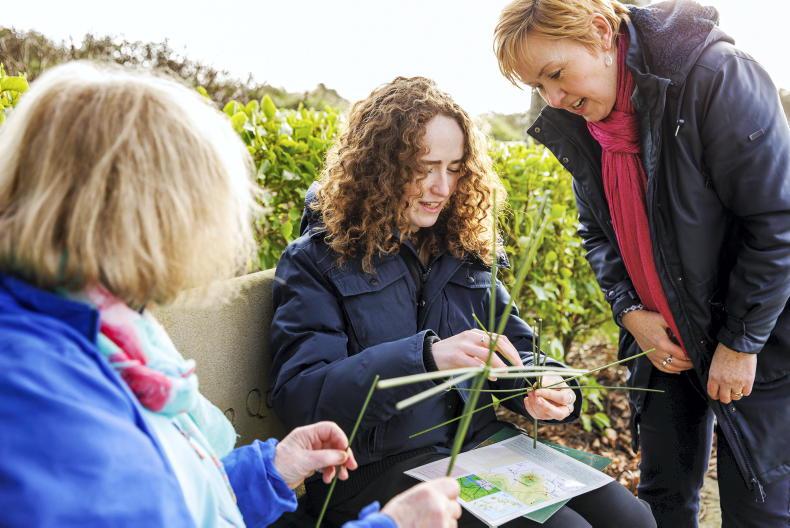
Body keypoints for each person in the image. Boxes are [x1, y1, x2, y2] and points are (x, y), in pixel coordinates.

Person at [0, 61, 462, 528]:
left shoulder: (108, 325)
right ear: (139, 217)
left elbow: (183, 493)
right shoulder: (40, 395)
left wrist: (267, 471)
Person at [270, 75, 656, 527]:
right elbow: (303, 399)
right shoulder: (317, 260)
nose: (443, 187)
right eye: (425, 167)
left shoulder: (459, 247)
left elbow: (515, 349)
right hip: (373, 471)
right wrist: (426, 359)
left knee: (633, 520)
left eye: (454, 168)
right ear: (379, 166)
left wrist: (545, 385)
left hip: (479, 447)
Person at [494, 0, 790, 526]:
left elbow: (777, 221)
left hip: (750, 341)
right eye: (539, 86)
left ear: (601, 32)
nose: (553, 99)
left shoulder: (717, 77)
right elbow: (597, 234)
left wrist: (741, 342)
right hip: (659, 343)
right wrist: (630, 312)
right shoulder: (585, 122)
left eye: (555, 74)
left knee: (758, 502)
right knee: (662, 502)